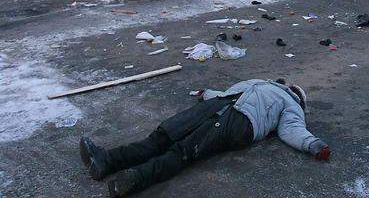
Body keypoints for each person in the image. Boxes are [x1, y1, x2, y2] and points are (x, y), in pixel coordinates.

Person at [79, 79, 330, 197]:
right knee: (164, 134)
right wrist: (207, 93)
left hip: (239, 123)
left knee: (183, 151)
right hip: (221, 105)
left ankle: (134, 178)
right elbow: (228, 92)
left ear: (296, 94)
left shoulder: (292, 105)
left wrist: (313, 145)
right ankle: (106, 160)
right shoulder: (262, 83)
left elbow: (292, 129)